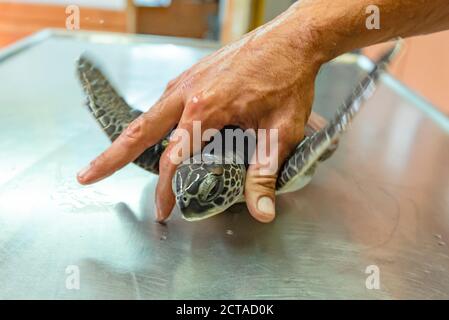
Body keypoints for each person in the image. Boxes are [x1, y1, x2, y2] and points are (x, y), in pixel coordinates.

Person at [77, 0, 449, 223]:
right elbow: (141, 137)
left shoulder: (277, 169)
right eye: (185, 188)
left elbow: (322, 137)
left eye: (203, 190)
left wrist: (298, 40)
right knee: (141, 144)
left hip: (282, 126)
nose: (188, 206)